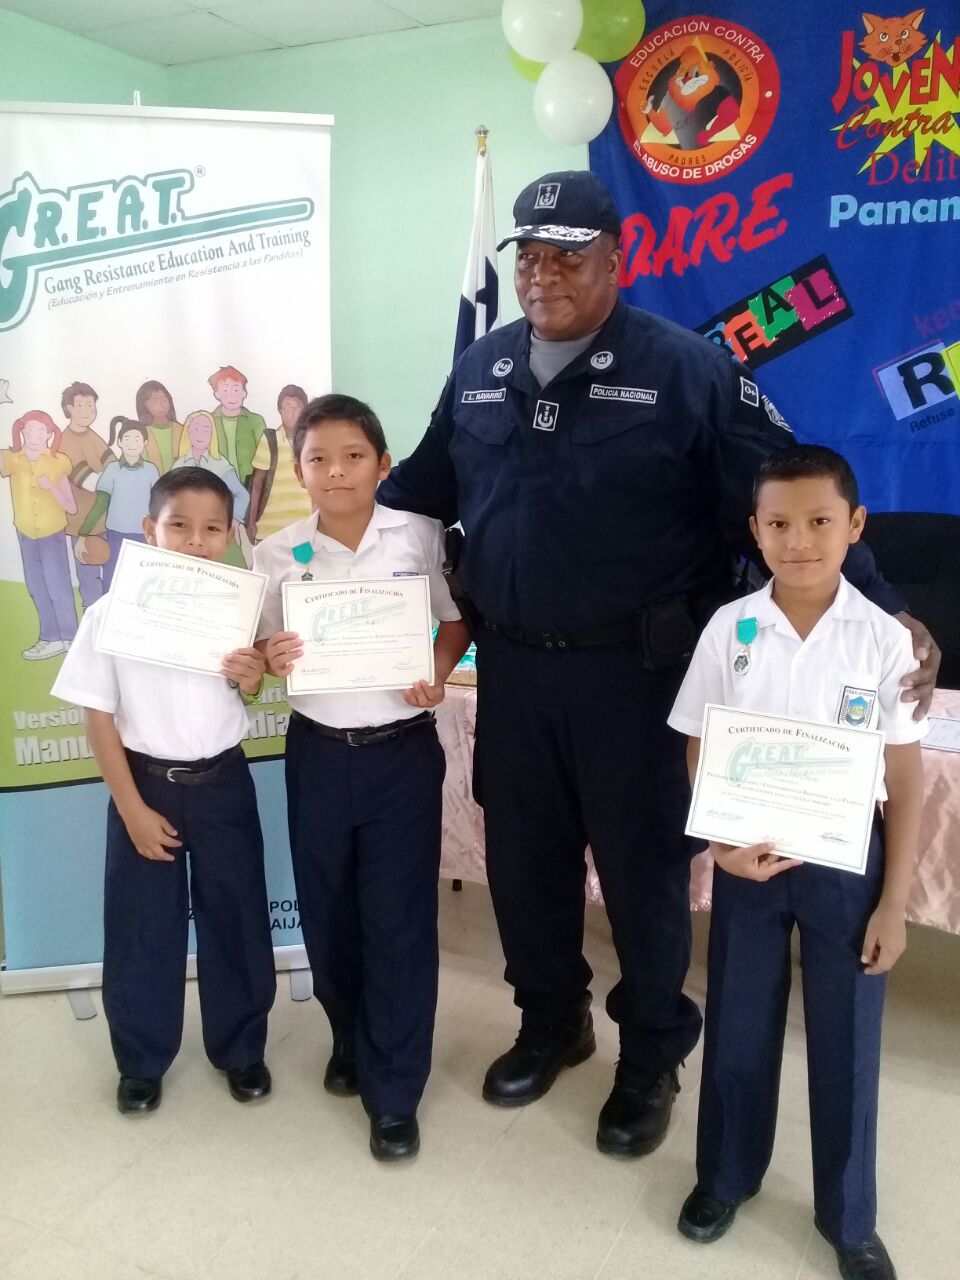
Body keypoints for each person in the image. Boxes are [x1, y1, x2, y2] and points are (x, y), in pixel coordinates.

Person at [376, 170, 940, 1159]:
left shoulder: (688, 369)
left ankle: (649, 1057)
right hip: (514, 671)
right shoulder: (482, 368)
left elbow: (786, 491)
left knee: (642, 879)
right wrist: (304, 559)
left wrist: (889, 606)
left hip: (640, 681)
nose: (543, 275)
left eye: (567, 256)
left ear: (616, 259)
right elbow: (417, 488)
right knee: (525, 867)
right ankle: (551, 1022)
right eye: (529, 256)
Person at [668, 446, 923, 1280]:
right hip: (751, 860)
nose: (799, 540)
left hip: (847, 867)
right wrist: (719, 844)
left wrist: (893, 904)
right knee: (739, 1022)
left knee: (847, 1040)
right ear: (755, 529)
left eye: (819, 521)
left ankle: (849, 1218)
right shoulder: (731, 628)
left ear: (855, 525)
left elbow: (905, 780)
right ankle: (724, 1179)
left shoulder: (883, 640)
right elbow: (700, 741)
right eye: (779, 523)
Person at [254, 394, 469, 1161]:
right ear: (300, 471)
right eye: (319, 458)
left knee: (400, 921)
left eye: (353, 456)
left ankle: (395, 1091)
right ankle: (350, 1035)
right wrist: (270, 655)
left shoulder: (418, 536)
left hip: (400, 754)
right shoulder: (275, 554)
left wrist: (436, 673)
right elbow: (256, 655)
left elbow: (455, 621)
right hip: (316, 752)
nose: (337, 471)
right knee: (329, 912)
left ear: (383, 464)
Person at [51, 468, 277, 1115]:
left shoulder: (238, 615)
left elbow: (248, 692)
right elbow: (98, 716)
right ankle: (141, 1060)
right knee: (142, 925)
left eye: (211, 528)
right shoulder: (110, 613)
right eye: (179, 525)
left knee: (236, 915)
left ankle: (241, 1048)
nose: (195, 540)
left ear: (230, 535)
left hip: (223, 782)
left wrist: (252, 675)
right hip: (144, 787)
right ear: (150, 529)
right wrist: (131, 809)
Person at [2, 410, 78, 659]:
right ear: (22, 431)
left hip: (51, 534)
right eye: (30, 430)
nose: (35, 436)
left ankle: (70, 638)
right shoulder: (12, 459)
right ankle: (50, 638)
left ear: (49, 434)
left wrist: (52, 487)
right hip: (25, 534)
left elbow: (71, 507)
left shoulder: (57, 461)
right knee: (36, 587)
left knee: (58, 586)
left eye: (41, 430)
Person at [77, 417, 160, 590]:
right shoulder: (112, 470)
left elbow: (158, 506)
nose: (132, 443)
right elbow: (100, 504)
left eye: (137, 439)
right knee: (113, 581)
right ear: (120, 442)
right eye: (127, 438)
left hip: (144, 537)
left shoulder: (151, 470)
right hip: (116, 536)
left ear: (145, 442)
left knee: (141, 583)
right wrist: (83, 534)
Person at [60, 381, 112, 609]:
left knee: (111, 574)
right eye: (80, 405)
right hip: (82, 524)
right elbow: (90, 481)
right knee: (90, 580)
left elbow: (112, 463)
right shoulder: (66, 441)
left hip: (104, 519)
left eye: (90, 405)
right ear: (69, 408)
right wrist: (114, 480)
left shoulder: (92, 435)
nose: (86, 411)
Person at [246, 383, 313, 542]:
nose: (291, 413)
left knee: (304, 559)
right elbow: (258, 482)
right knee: (267, 559)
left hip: (304, 526)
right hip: (270, 527)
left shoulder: (312, 440)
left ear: (304, 410)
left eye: (296, 407)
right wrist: (251, 522)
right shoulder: (270, 439)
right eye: (287, 407)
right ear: (280, 411)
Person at [208, 365, 266, 487]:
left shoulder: (256, 421)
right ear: (216, 394)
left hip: (251, 486)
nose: (231, 396)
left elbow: (266, 457)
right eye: (225, 390)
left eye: (235, 390)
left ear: (244, 393)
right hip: (217, 485)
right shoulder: (209, 421)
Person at [135, 379, 183, 474]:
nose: (161, 405)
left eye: (164, 400)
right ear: (144, 405)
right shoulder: (141, 434)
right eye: (155, 401)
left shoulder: (181, 430)